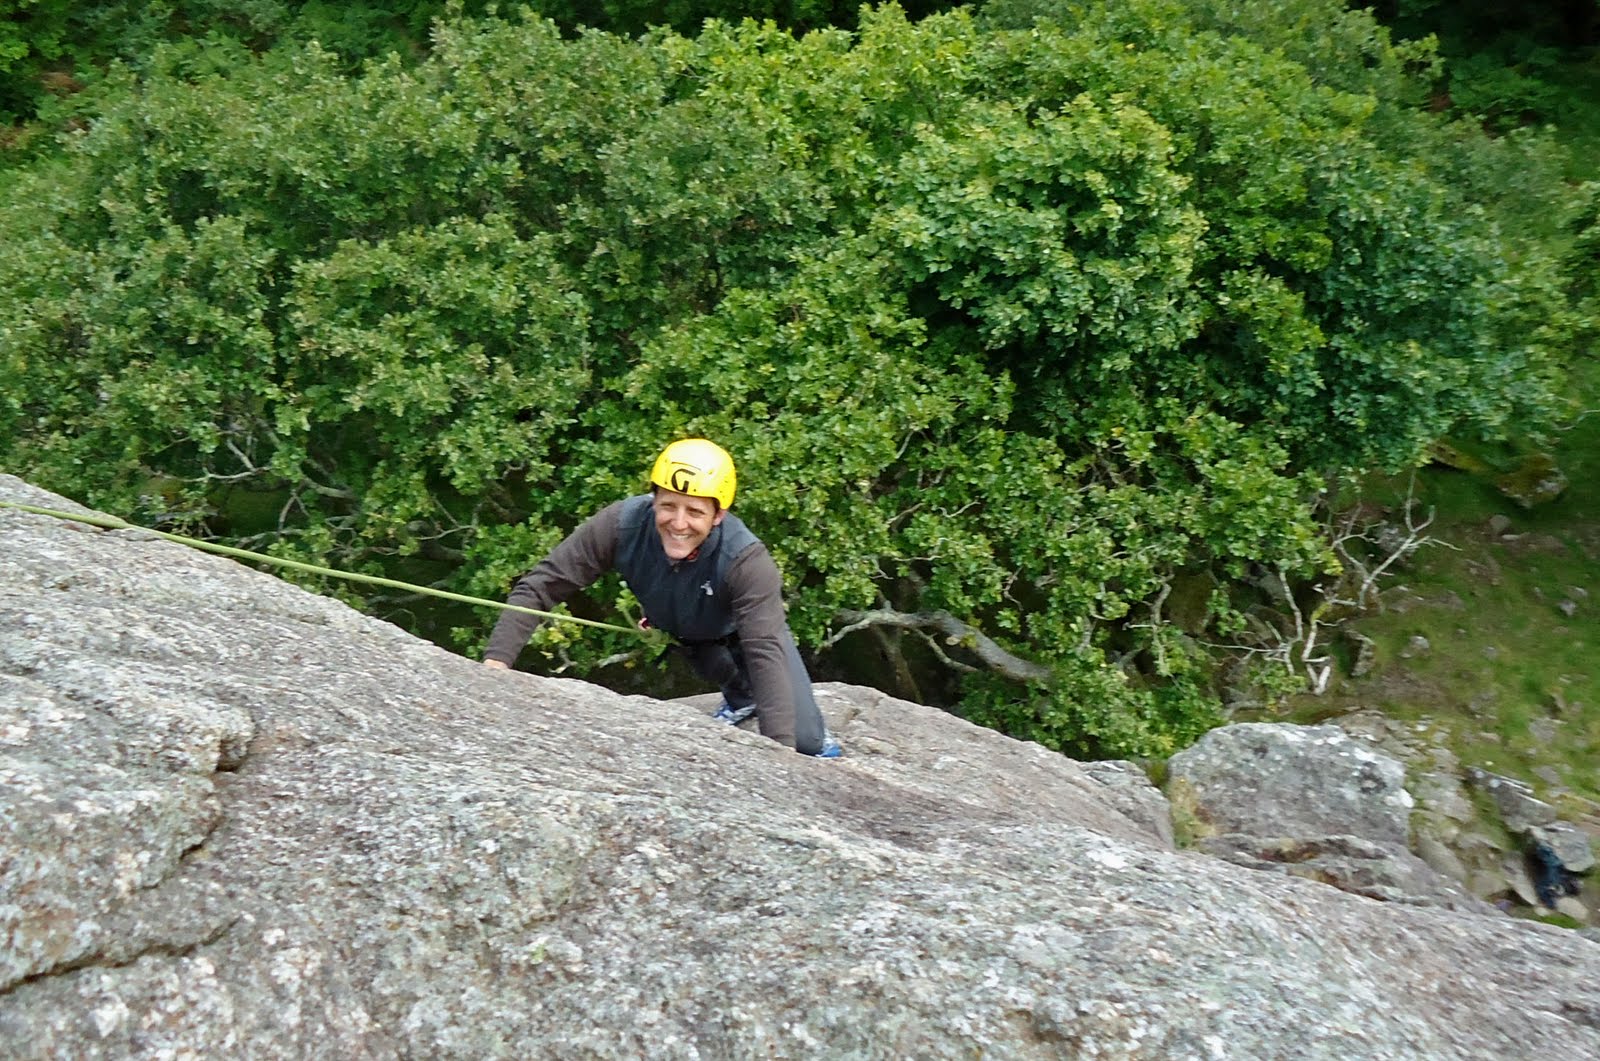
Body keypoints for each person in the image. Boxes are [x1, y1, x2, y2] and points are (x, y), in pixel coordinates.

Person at [482, 438, 840, 757]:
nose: (679, 523)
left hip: (751, 634)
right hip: (693, 636)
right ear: (653, 499)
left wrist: (778, 755)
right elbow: (542, 584)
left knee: (805, 740)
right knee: (723, 667)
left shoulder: (746, 561)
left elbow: (763, 648)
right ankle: (742, 698)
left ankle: (755, 702)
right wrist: (495, 667)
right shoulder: (621, 526)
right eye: (668, 505)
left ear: (719, 515)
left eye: (695, 511)